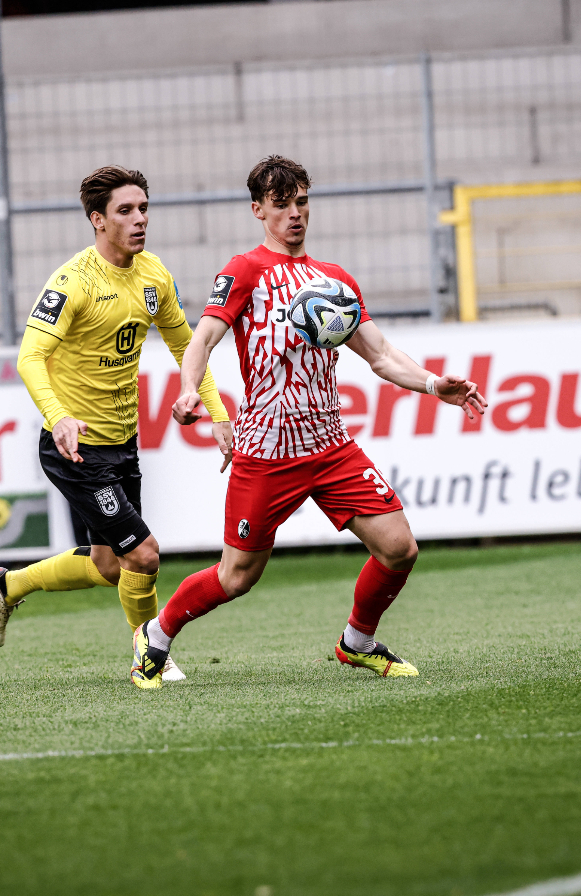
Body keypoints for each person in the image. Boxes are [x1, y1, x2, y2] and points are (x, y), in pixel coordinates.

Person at [130, 155, 487, 689]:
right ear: (258, 210)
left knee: (399, 548)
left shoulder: (335, 280)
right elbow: (202, 337)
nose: (295, 214)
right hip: (268, 452)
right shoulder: (244, 270)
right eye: (282, 205)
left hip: (329, 445)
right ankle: (154, 638)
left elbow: (381, 354)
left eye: (301, 202)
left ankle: (357, 642)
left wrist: (437, 386)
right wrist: (188, 391)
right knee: (237, 577)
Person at [0, 165, 233, 684]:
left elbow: (189, 346)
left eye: (143, 209)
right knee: (143, 553)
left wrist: (215, 409)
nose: (140, 220)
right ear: (97, 220)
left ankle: (5, 585)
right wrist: (60, 416)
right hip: (74, 447)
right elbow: (30, 357)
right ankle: (150, 656)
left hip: (122, 443)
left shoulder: (153, 275)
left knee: (109, 566)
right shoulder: (73, 283)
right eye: (125, 211)